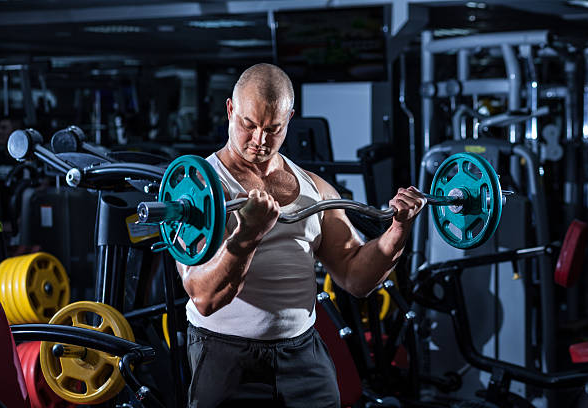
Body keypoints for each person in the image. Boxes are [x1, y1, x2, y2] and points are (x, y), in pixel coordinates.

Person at [176, 63, 426, 408]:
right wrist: (247, 236)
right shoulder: (197, 189)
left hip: (303, 354)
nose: (260, 140)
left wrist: (398, 230)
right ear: (231, 111)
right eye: (249, 125)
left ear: (289, 119)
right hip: (227, 356)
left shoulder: (314, 188)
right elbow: (204, 297)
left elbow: (355, 277)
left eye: (273, 128)